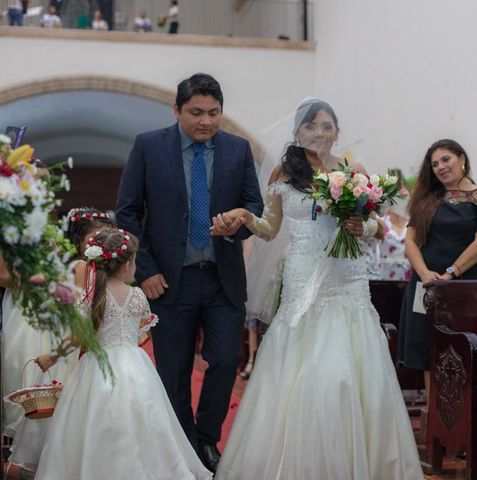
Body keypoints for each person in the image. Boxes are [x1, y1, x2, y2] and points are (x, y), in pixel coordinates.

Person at [212, 98, 422, 480]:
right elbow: (270, 229)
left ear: (337, 132)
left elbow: (378, 224)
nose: (320, 134)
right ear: (298, 132)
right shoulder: (283, 173)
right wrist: (244, 216)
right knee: (305, 359)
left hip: (348, 274)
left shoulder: (352, 170)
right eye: (312, 126)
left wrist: (364, 226)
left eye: (327, 127)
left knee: (351, 357)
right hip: (304, 269)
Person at [116, 73, 263, 474]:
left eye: (214, 113)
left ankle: (206, 439)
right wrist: (144, 270)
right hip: (168, 279)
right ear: (176, 110)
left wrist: (240, 221)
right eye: (197, 113)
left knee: (224, 359)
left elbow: (255, 207)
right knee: (173, 370)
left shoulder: (237, 149)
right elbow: (127, 212)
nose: (206, 121)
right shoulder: (149, 146)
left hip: (222, 277)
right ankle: (182, 444)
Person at [32, 229, 212, 479]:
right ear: (128, 264)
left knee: (95, 419)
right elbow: (141, 332)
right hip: (135, 365)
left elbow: (78, 337)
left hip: (98, 365)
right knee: (143, 417)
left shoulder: (92, 298)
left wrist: (51, 357)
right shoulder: (138, 296)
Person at [5, 207, 113, 473]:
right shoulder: (80, 267)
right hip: (75, 347)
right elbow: (81, 312)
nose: (100, 243)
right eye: (95, 237)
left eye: (104, 237)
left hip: (82, 343)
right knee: (67, 405)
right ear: (80, 242)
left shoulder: (99, 270)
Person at [397, 139, 477, 405]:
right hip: (426, 284)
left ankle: (466, 419)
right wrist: (426, 273)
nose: (440, 167)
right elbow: (410, 242)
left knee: (465, 349)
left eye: (446, 159)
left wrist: (451, 273)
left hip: (466, 284)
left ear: (461, 158)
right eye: (435, 164)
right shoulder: (426, 198)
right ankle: (435, 420)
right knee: (429, 350)